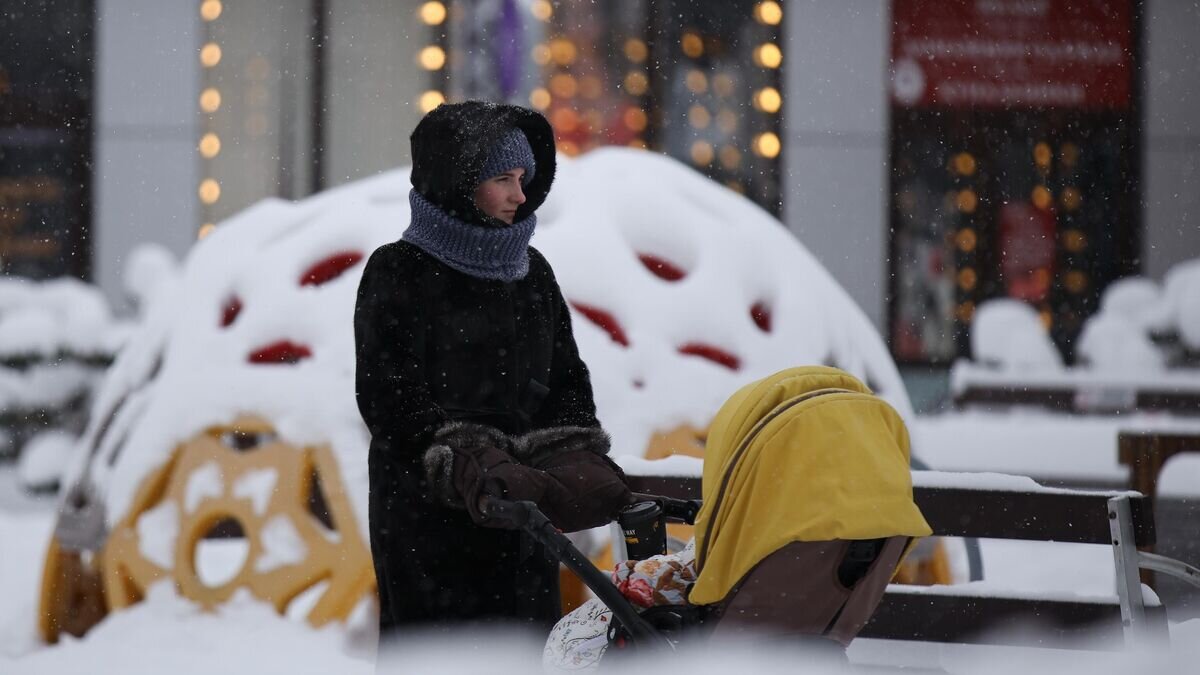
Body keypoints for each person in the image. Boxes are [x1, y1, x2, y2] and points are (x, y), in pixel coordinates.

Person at [354, 101, 632, 640]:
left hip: (524, 513)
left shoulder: (533, 272)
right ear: (458, 184)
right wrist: (461, 459)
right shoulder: (398, 269)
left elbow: (566, 379)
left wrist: (571, 451)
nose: (520, 195)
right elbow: (388, 395)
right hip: (426, 521)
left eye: (523, 178)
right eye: (503, 179)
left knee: (523, 650)